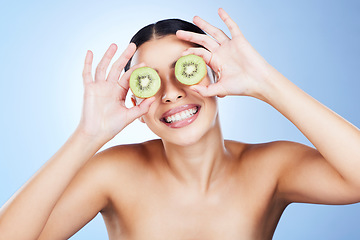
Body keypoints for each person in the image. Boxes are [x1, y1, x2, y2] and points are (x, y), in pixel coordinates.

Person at [0, 8, 359, 240]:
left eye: (185, 71)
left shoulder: (270, 168)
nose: (171, 94)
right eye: (150, 82)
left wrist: (265, 82)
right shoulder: (114, 172)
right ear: (137, 98)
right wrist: (86, 137)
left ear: (217, 76)